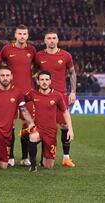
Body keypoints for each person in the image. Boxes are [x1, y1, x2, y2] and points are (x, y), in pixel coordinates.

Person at [35, 30, 77, 167]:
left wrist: (73, 92)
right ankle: (43, 157)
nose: (51, 40)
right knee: (43, 126)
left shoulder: (65, 55)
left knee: (64, 125)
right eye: (49, 38)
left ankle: (66, 157)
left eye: (54, 38)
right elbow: (33, 73)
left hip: (62, 95)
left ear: (57, 40)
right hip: (44, 97)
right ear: (45, 40)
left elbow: (72, 73)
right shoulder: (39, 56)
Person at [1, 24, 36, 167]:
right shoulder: (7, 49)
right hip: (10, 93)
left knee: (25, 124)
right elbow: (0, 65)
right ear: (15, 35)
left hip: (27, 94)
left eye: (24, 34)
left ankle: (24, 157)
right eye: (20, 34)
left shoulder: (32, 50)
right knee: (10, 125)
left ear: (27, 36)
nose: (22, 36)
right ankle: (10, 156)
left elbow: (38, 67)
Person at [26, 70, 75, 172]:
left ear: (50, 81)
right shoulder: (32, 93)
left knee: (48, 165)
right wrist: (29, 120)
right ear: (38, 81)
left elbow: (65, 112)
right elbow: (20, 102)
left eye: (47, 80)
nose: (44, 82)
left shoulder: (57, 95)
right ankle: (33, 165)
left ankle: (43, 158)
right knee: (32, 136)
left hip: (51, 132)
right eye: (42, 79)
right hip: (38, 129)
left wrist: (70, 129)